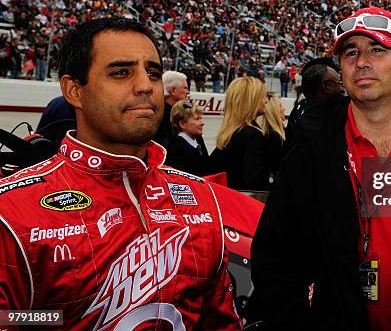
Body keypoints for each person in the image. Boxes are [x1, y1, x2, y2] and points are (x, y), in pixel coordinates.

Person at [0, 18, 242, 330]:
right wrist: (56, 321)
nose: (145, 86)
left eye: (153, 73)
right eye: (121, 72)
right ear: (74, 90)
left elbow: (220, 322)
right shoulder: (12, 211)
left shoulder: (201, 197)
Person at [246, 7, 391, 331]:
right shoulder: (311, 146)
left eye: (377, 49)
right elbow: (276, 258)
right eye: (351, 52)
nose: (362, 61)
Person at [210, 77, 269, 191]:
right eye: (262, 97)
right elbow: (255, 182)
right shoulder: (253, 136)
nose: (266, 101)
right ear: (251, 101)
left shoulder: (229, 134)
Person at [286, 57, 344, 134]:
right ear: (326, 86)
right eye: (338, 83)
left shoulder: (301, 110)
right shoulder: (339, 113)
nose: (342, 89)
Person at [165, 100, 211, 176]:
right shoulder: (177, 149)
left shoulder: (198, 140)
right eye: (197, 119)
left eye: (201, 118)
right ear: (182, 124)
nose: (202, 123)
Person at [256, 92, 286, 188]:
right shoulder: (274, 137)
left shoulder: (264, 133)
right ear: (274, 111)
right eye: (280, 106)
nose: (284, 109)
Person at [154, 70, 189, 148]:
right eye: (185, 88)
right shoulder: (161, 116)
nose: (188, 92)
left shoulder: (162, 111)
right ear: (173, 90)